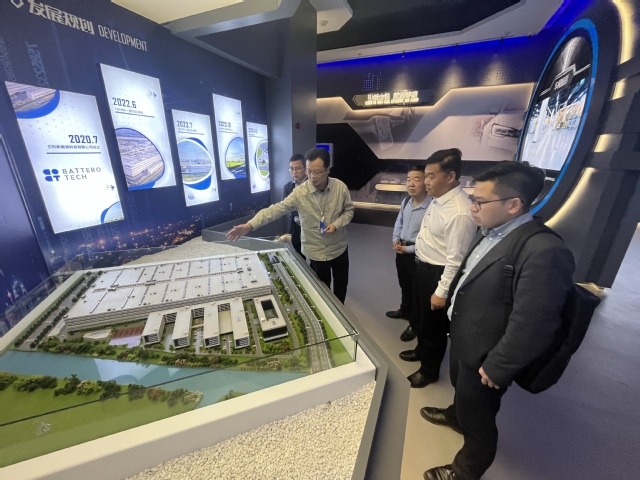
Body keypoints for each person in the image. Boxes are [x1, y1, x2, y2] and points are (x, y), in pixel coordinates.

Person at [421, 162, 575, 480]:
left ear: (513, 204)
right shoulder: (490, 230)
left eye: (479, 201)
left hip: (487, 356)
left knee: (479, 419)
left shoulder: (543, 250)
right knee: (462, 393)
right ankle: (456, 415)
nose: (472, 207)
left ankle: (465, 470)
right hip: (465, 337)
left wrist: (499, 366)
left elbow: (534, 322)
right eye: (472, 199)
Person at [226, 147, 354, 303]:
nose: (312, 177)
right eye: (309, 172)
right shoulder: (300, 193)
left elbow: (349, 211)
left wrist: (337, 224)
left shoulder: (340, 188)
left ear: (328, 170)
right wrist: (250, 225)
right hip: (316, 252)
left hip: (339, 247)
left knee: (341, 286)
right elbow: (276, 209)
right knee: (323, 290)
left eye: (317, 172)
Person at [400, 148, 476, 388]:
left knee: (434, 327)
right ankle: (421, 351)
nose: (426, 181)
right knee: (421, 317)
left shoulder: (459, 212)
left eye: (431, 176)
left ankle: (429, 370)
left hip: (438, 273)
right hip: (422, 267)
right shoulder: (439, 199)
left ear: (450, 176)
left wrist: (442, 291)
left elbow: (456, 260)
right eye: (426, 176)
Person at [385, 165, 431, 344]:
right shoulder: (406, 202)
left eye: (416, 179)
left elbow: (429, 238)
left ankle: (414, 323)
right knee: (405, 284)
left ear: (426, 182)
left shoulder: (431, 207)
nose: (411, 184)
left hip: (417, 254)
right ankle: (405, 310)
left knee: (417, 290)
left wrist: (409, 250)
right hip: (401, 251)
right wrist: (395, 238)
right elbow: (399, 222)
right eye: (408, 179)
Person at [283, 153, 307, 259]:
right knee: (299, 256)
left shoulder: (312, 184)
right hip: (296, 226)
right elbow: (285, 207)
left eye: (297, 168)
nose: (294, 172)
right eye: (291, 169)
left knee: (315, 259)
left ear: (305, 168)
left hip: (310, 227)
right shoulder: (288, 187)